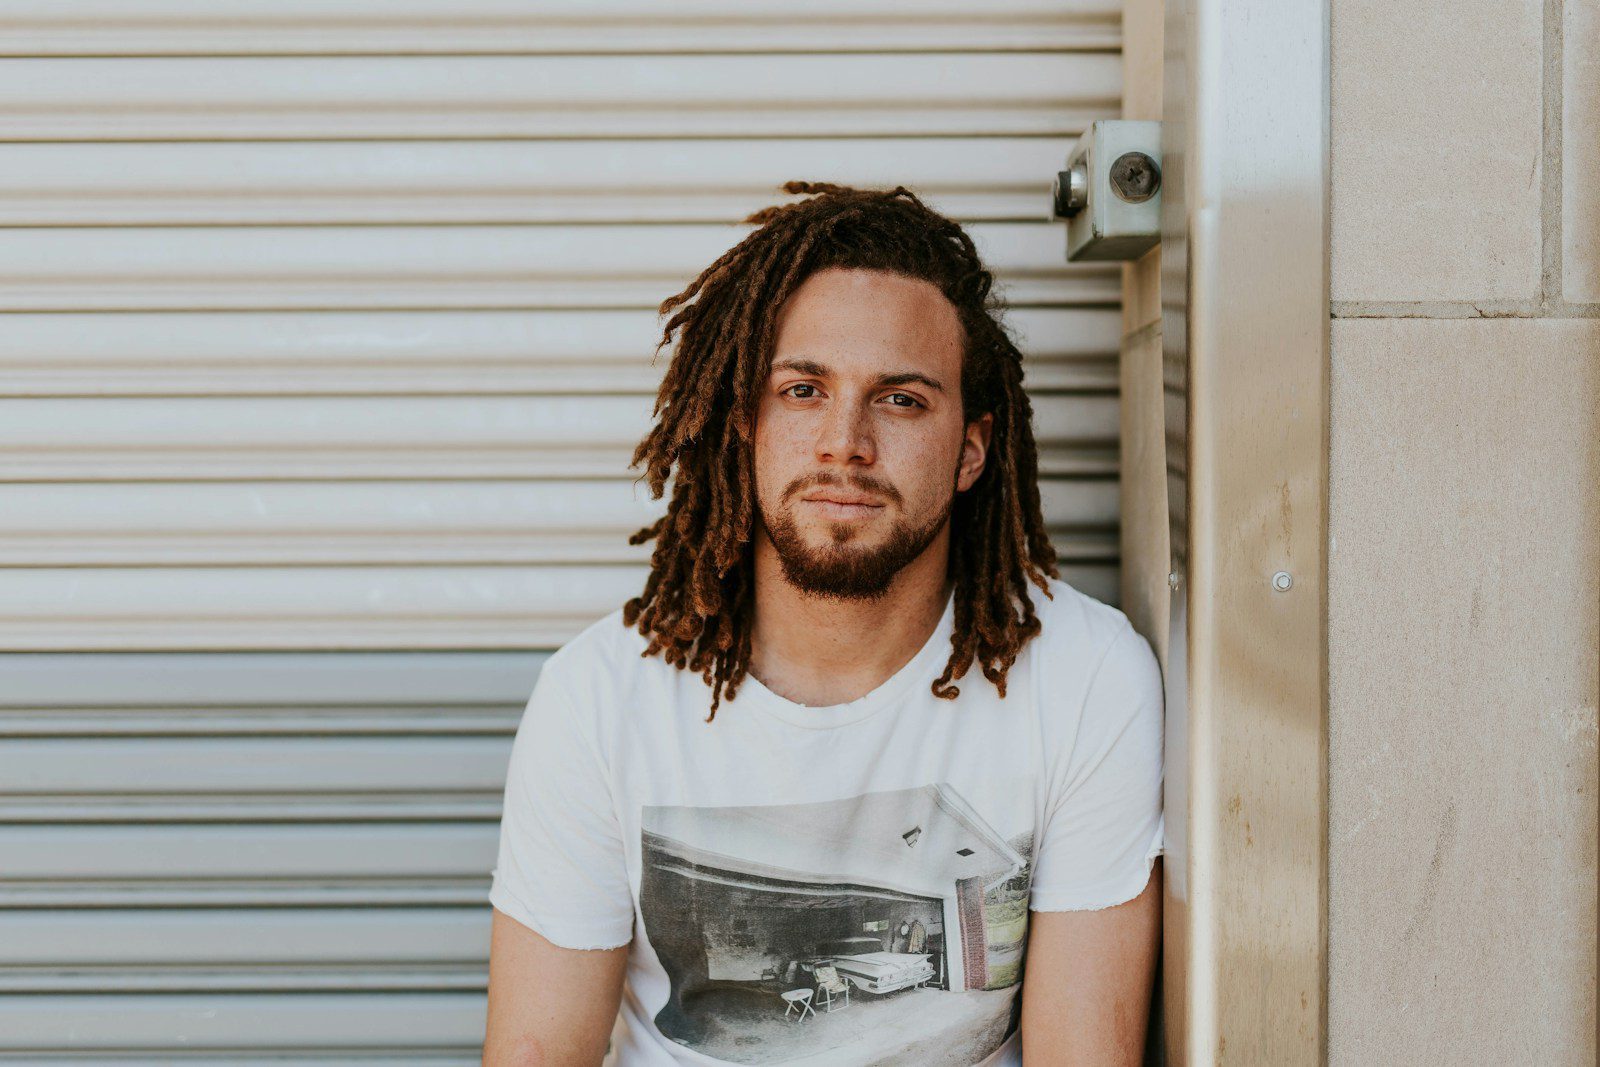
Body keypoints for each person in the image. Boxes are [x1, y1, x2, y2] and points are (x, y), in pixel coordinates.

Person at [483, 181, 1164, 1066]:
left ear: (971, 449)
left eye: (902, 399)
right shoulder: (600, 696)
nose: (845, 440)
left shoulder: (1085, 678)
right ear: (748, 425)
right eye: (803, 389)